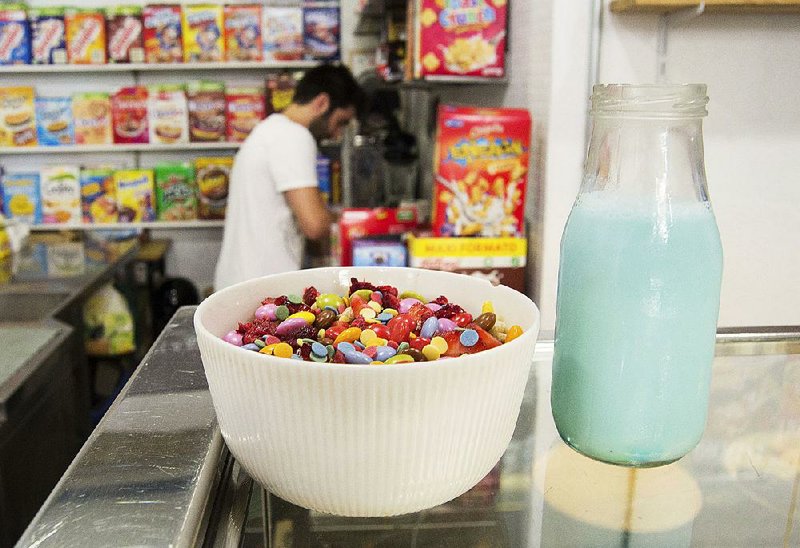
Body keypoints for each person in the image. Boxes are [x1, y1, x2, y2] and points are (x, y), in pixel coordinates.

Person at [214, 64, 366, 290]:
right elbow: (314, 225)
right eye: (341, 122)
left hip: (243, 282)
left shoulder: (270, 130)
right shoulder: (293, 136)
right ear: (322, 103)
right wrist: (353, 222)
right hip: (258, 288)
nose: (337, 133)